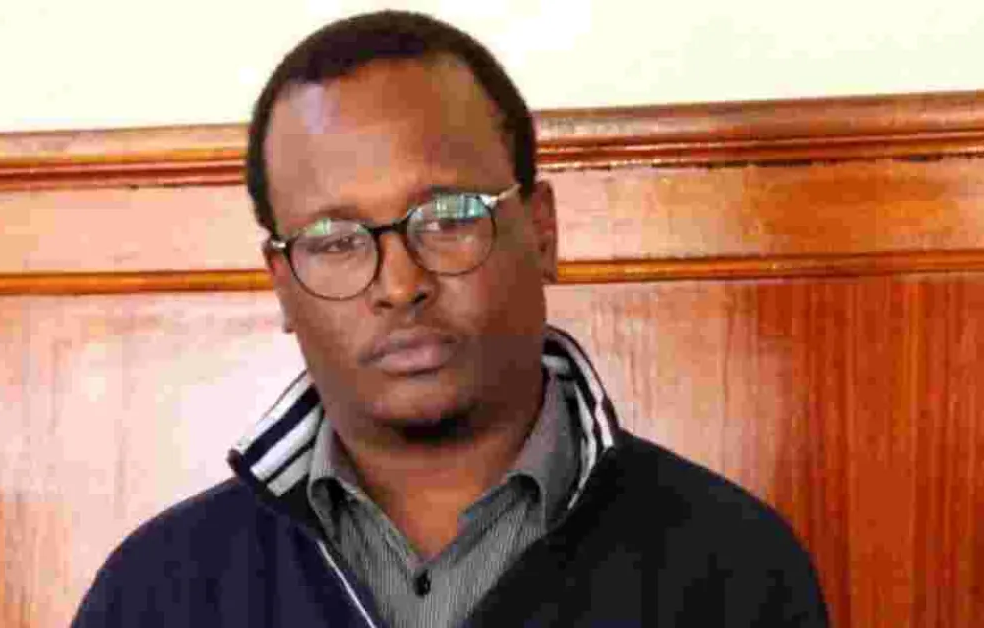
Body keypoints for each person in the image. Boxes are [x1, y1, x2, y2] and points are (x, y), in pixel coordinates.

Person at [71, 10, 828, 628]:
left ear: (542, 232)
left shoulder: (729, 568)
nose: (400, 283)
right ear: (283, 286)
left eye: (449, 218)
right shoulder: (158, 591)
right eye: (334, 240)